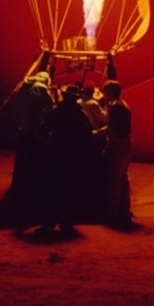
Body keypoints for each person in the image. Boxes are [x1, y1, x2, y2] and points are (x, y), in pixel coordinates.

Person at [44, 84, 94, 231]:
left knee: (53, 186)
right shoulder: (81, 114)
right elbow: (87, 134)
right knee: (70, 187)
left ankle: (50, 219)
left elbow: (44, 128)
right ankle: (66, 220)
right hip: (73, 156)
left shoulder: (56, 111)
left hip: (56, 153)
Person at [10, 71, 55, 213]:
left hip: (25, 127)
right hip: (36, 127)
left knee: (25, 158)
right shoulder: (40, 87)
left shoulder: (24, 87)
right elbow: (51, 107)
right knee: (40, 157)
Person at [101, 79, 132, 226]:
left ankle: (111, 215)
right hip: (126, 143)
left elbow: (112, 130)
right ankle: (124, 210)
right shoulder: (123, 105)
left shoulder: (114, 107)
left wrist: (107, 147)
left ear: (110, 92)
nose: (103, 95)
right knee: (123, 179)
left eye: (104, 92)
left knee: (113, 180)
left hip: (118, 144)